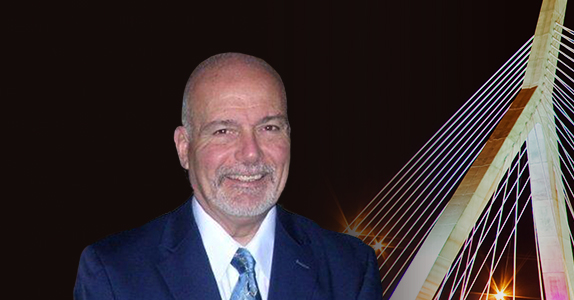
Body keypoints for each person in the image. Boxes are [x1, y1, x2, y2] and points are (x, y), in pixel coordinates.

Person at [74, 53, 380, 300]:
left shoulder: (350, 270)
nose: (251, 153)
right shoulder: (114, 274)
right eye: (223, 131)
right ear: (184, 148)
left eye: (269, 128)